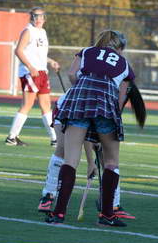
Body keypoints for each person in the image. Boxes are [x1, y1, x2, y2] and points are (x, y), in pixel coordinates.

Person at [44, 30, 145, 227]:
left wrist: (83, 89)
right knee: (111, 162)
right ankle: (107, 215)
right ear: (118, 47)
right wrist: (108, 122)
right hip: (106, 102)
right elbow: (121, 98)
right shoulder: (123, 63)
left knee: (71, 159)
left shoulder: (87, 50)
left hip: (80, 98)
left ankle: (59, 213)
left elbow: (72, 74)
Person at [38, 91, 136, 220]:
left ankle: (113, 205)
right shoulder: (95, 97)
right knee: (63, 150)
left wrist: (98, 141)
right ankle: (48, 195)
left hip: (96, 111)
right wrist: (90, 163)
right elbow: (83, 137)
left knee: (108, 159)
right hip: (69, 109)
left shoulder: (113, 98)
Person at [5, 6, 60, 147]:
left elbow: (38, 54)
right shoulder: (28, 31)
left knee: (46, 105)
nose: (38, 19)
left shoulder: (43, 32)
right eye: (35, 16)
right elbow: (18, 51)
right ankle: (12, 137)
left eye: (41, 16)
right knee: (27, 105)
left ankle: (55, 139)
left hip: (42, 72)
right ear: (32, 17)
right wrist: (30, 67)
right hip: (31, 73)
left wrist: (50, 61)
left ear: (44, 18)